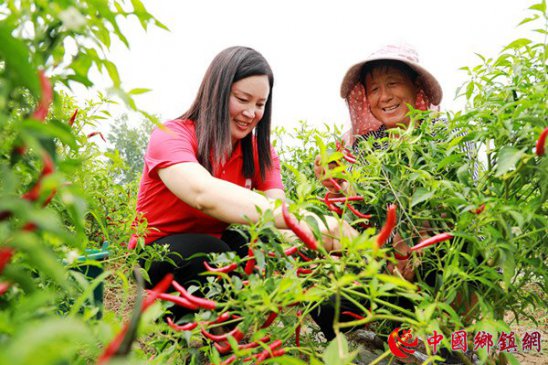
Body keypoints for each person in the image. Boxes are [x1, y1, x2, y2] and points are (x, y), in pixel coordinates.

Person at [128, 46, 356, 320]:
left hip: (214, 248)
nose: (251, 113)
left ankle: (352, 337)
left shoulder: (258, 152)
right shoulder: (172, 136)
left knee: (270, 247)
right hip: (156, 255)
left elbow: (277, 219)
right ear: (217, 91)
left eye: (260, 104)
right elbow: (203, 194)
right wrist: (306, 218)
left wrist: (318, 240)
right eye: (242, 99)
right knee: (212, 253)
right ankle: (203, 335)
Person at [311, 44, 445, 341]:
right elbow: (360, 208)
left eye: (393, 83)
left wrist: (412, 244)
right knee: (325, 297)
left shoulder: (447, 134)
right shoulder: (364, 145)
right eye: (373, 89)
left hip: (438, 260)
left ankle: (451, 336)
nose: (383, 97)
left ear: (416, 86)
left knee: (443, 270)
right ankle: (372, 345)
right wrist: (335, 184)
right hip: (383, 263)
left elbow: (464, 209)